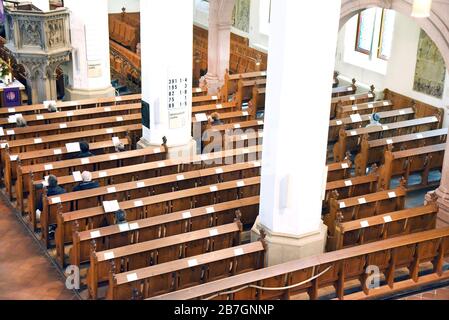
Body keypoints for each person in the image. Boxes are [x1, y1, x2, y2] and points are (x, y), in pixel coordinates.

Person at [35, 175, 66, 240]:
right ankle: (54, 227)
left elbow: (40, 207)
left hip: (49, 215)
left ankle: (49, 229)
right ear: (57, 182)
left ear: (48, 183)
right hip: (61, 214)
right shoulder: (63, 191)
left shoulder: (45, 194)